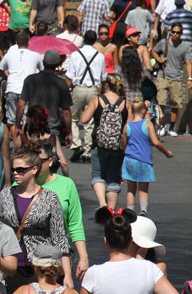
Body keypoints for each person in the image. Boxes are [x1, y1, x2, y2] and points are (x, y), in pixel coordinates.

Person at [0, 144, 70, 285]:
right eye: (13, 170)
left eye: (20, 170)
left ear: (34, 170)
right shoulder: (5, 195)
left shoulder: (50, 198)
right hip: (11, 264)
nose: (15, 173)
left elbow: (59, 238)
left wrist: (67, 274)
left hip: (41, 265)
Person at [34, 144, 90, 280]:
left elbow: (75, 224)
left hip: (59, 256)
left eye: (39, 161)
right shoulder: (18, 186)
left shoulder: (67, 184)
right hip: (29, 257)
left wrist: (84, 257)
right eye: (31, 161)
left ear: (50, 161)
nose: (35, 165)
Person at [81, 75, 130, 209]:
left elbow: (84, 119)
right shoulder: (125, 102)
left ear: (106, 85)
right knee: (114, 178)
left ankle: (102, 204)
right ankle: (111, 210)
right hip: (117, 145)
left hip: (99, 143)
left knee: (97, 175)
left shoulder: (97, 100)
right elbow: (129, 125)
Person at [122, 100, 174, 216]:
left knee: (131, 189)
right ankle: (143, 210)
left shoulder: (127, 126)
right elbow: (155, 142)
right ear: (143, 111)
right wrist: (166, 153)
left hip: (130, 159)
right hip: (144, 160)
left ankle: (130, 211)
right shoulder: (147, 124)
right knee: (143, 188)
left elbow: (124, 144)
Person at [18, 50, 72, 150]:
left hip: (33, 127)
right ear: (58, 64)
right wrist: (69, 132)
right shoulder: (61, 83)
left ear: (43, 63)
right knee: (51, 158)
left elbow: (21, 104)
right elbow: (66, 111)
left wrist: (17, 125)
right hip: (52, 128)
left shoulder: (30, 80)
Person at [66, 31, 107, 162]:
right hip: (93, 90)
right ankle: (87, 151)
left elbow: (70, 75)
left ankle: (77, 144)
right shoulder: (100, 56)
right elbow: (103, 77)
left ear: (84, 39)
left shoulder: (75, 55)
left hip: (78, 88)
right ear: (95, 41)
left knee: (73, 118)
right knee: (90, 121)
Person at [0, 30, 43, 137]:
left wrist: (8, 77)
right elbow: (42, 70)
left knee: (12, 121)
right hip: (28, 91)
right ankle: (24, 144)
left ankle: (17, 147)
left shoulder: (9, 55)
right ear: (28, 42)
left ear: (16, 43)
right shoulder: (36, 55)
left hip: (12, 89)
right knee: (25, 119)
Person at [152, 21, 192, 137]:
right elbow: (153, 51)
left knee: (175, 103)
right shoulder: (163, 43)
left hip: (176, 77)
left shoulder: (185, 47)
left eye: (178, 33)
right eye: (173, 32)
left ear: (181, 33)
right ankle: (160, 125)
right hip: (163, 75)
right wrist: (159, 59)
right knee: (161, 101)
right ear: (170, 32)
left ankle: (171, 127)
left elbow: (188, 63)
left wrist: (190, 78)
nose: (175, 34)